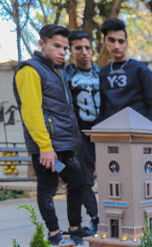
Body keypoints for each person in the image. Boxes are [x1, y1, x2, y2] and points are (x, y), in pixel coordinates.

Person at [13, 24, 91, 245]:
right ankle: (55, 232)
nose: (62, 52)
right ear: (42, 44)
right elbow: (31, 111)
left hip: (66, 144)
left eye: (65, 48)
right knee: (47, 188)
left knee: (77, 183)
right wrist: (45, 147)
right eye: (56, 46)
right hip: (48, 147)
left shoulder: (58, 71)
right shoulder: (30, 70)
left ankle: (75, 229)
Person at [65, 30, 100, 233]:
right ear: (71, 51)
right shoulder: (67, 74)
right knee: (84, 178)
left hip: (102, 133)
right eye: (79, 48)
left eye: (87, 47)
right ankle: (95, 216)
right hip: (80, 135)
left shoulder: (100, 73)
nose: (84, 52)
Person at [98, 18, 152, 123]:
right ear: (105, 41)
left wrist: (147, 133)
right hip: (111, 132)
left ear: (126, 43)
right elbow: (102, 108)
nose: (116, 46)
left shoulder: (141, 70)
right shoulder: (102, 73)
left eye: (120, 41)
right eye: (112, 40)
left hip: (137, 132)